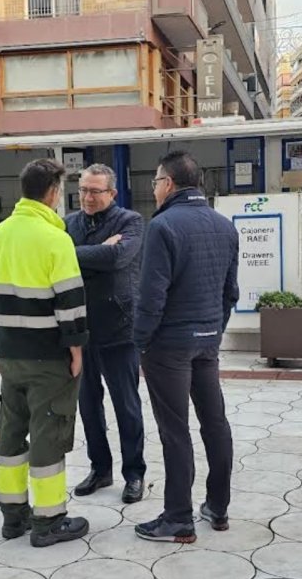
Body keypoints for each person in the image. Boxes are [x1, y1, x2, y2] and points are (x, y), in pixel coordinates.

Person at [0, 158, 91, 548]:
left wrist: (4, 337)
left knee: (12, 431)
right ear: (53, 193)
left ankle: (14, 517)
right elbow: (71, 304)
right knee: (49, 431)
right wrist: (76, 350)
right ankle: (49, 520)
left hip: (9, 356)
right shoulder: (54, 239)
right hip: (48, 358)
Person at [133, 150, 239, 544]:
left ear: (169, 183)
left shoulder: (162, 227)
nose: (155, 189)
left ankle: (178, 518)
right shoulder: (224, 226)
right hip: (206, 343)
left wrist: (140, 342)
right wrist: (213, 330)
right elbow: (231, 292)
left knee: (175, 431)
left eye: (156, 181)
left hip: (169, 346)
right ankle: (218, 506)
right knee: (215, 423)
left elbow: (151, 296)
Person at [64, 165, 146, 505]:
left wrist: (84, 256)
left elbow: (118, 259)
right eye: (83, 189)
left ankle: (135, 473)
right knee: (88, 405)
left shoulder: (131, 222)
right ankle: (100, 469)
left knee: (126, 405)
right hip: (80, 329)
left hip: (119, 329)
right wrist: (99, 253)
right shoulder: (68, 223)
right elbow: (58, 262)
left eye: (95, 191)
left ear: (112, 193)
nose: (87, 197)